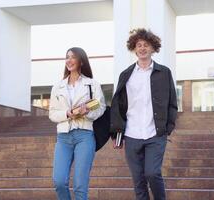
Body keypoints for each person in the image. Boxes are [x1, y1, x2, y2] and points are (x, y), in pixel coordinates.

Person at [110, 28, 178, 200]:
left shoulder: (164, 72)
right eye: (138, 45)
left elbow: (172, 102)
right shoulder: (126, 74)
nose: (142, 48)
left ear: (153, 48)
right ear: (134, 48)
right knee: (138, 180)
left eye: (146, 45)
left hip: (155, 133)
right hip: (132, 134)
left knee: (153, 173)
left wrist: (168, 127)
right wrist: (117, 133)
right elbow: (118, 105)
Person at [49, 47, 106, 200]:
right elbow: (52, 113)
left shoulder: (92, 84)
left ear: (81, 61)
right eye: (67, 57)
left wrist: (87, 111)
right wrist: (67, 113)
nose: (69, 60)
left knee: (80, 185)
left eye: (73, 57)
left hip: (85, 135)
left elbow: (100, 107)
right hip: (64, 137)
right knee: (59, 181)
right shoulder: (58, 86)